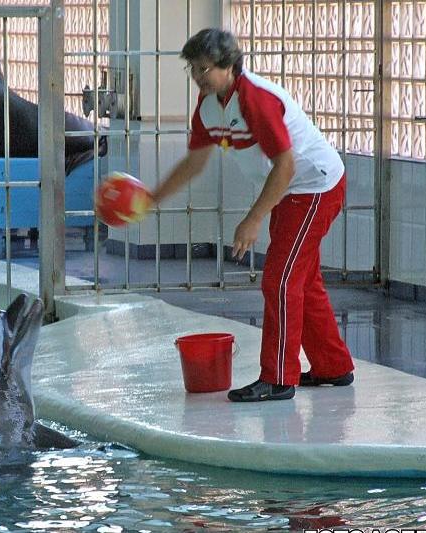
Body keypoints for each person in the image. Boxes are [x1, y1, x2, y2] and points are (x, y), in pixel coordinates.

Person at [150, 28, 355, 402]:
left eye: (204, 68)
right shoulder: (209, 105)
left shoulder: (256, 99)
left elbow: (285, 165)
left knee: (280, 279)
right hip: (291, 190)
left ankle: (278, 378)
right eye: (193, 68)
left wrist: (253, 219)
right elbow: (195, 162)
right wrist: (152, 197)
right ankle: (333, 366)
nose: (197, 76)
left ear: (229, 65)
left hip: (314, 185)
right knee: (302, 280)